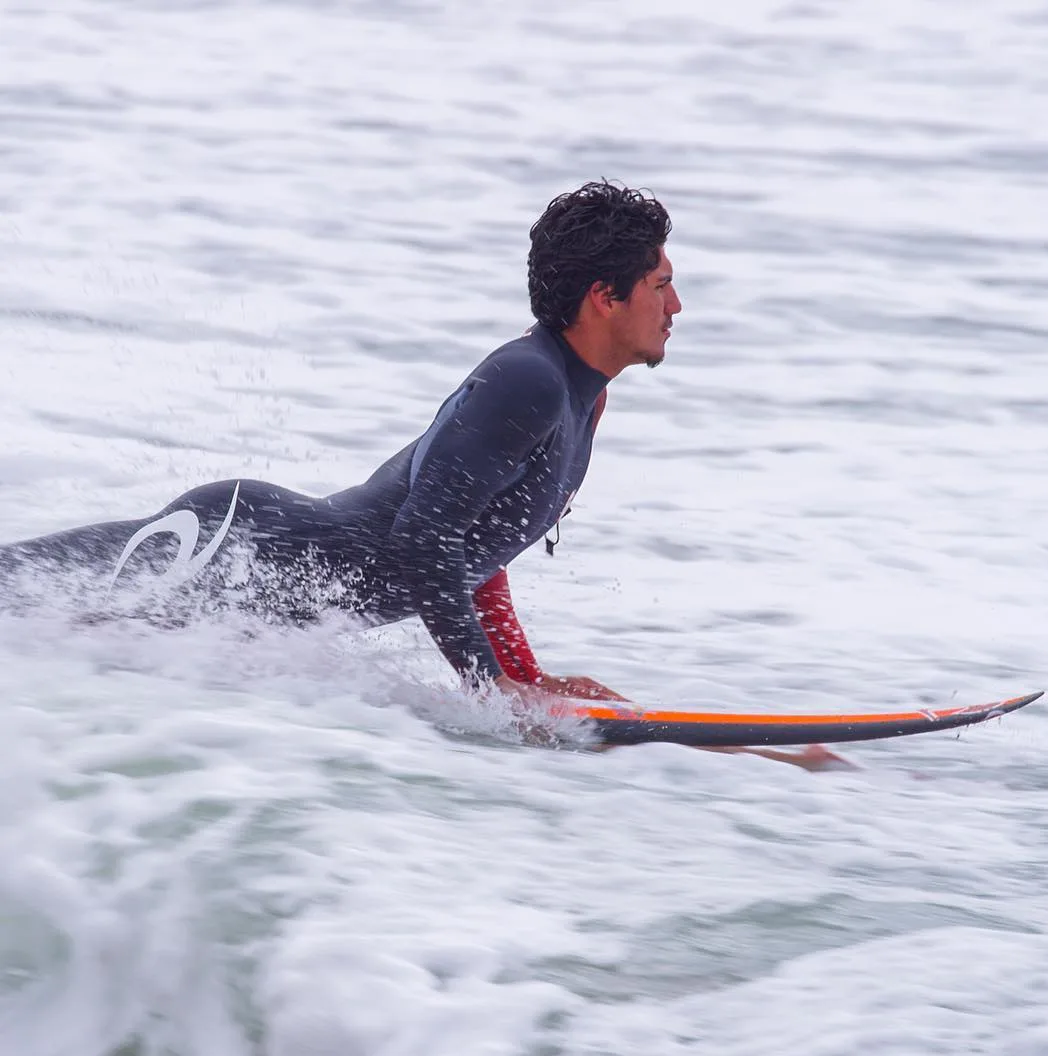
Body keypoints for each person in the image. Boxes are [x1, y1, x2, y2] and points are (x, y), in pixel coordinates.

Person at [0, 181, 681, 704]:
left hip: (265, 598)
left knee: (59, 636)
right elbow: (425, 536)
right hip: (237, 552)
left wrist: (527, 676)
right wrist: (491, 688)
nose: (675, 307)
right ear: (604, 297)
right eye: (661, 285)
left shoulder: (581, 399)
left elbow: (481, 547)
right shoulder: (526, 381)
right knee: (18, 600)